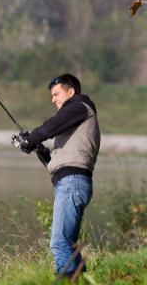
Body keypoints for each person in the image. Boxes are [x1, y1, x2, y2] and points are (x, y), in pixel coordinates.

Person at [17, 74, 100, 277]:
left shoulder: (80, 106)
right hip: (69, 182)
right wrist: (35, 146)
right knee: (67, 245)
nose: (53, 99)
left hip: (72, 183)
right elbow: (54, 163)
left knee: (60, 243)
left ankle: (67, 281)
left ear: (70, 92)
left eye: (56, 94)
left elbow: (50, 127)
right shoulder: (74, 124)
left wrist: (33, 137)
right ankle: (79, 280)